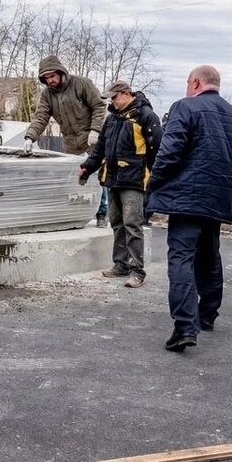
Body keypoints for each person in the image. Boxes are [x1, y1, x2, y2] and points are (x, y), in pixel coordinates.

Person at [147, 65, 232, 352]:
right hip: (215, 200)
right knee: (209, 256)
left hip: (186, 201)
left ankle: (184, 326)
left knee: (181, 258)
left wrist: (153, 185)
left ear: (195, 82)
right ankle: (208, 314)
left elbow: (169, 153)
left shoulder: (185, 107)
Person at [78, 80, 162, 288]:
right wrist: (88, 167)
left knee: (133, 225)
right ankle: (120, 264)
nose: (112, 102)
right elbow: (101, 148)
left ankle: (137, 270)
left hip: (134, 180)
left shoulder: (146, 116)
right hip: (113, 178)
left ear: (126, 93)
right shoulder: (112, 119)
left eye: (115, 98)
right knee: (116, 223)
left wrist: (153, 179)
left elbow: (157, 150)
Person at [22, 55, 109, 226]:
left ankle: (101, 213)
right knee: (74, 176)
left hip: (91, 138)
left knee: (98, 176)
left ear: (61, 72)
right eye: (46, 78)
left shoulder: (81, 84)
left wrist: (96, 130)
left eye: (52, 76)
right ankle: (74, 213)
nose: (50, 80)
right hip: (70, 140)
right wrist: (30, 137)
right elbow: (41, 117)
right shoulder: (47, 95)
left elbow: (99, 106)